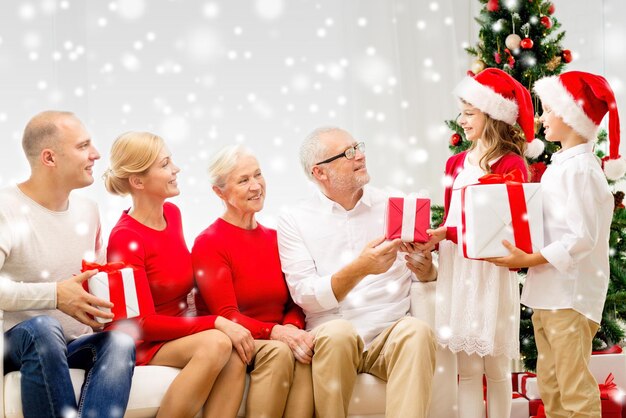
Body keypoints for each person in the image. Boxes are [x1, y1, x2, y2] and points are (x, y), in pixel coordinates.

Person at [277, 127, 438, 418]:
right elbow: (306, 296)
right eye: (348, 153)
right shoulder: (295, 219)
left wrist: (426, 268)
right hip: (334, 334)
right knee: (338, 334)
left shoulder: (395, 204)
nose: (361, 156)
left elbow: (423, 276)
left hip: (389, 332)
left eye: (358, 147)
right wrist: (361, 268)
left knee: (417, 331)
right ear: (320, 173)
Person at [489, 71, 623, 417]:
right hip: (547, 293)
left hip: (569, 296)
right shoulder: (560, 166)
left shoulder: (581, 170)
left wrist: (531, 257)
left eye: (548, 110)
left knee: (572, 385)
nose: (541, 118)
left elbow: (581, 237)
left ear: (571, 115)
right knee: (550, 383)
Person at [416, 68, 538, 418]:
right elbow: (451, 218)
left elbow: (505, 228)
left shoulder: (511, 164)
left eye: (470, 113)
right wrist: (434, 238)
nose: (462, 120)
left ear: (493, 115)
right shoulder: (455, 163)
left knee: (497, 372)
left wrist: (449, 234)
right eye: (462, 112)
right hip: (459, 271)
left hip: (491, 274)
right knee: (467, 373)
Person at [0, 110, 136, 418]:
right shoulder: (5, 209)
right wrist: (56, 295)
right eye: (83, 146)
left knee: (119, 342)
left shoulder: (89, 210)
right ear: (49, 158)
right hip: (19, 344)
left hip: (72, 344)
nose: (96, 154)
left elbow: (95, 282)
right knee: (44, 329)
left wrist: (100, 310)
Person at [104, 131, 248, 418]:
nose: (176, 169)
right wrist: (217, 322)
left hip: (177, 334)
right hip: (142, 342)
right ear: (138, 181)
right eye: (165, 164)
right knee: (218, 341)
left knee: (234, 353)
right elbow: (139, 324)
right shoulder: (125, 237)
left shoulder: (173, 214)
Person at [191, 145, 314, 418]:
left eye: (258, 175)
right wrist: (279, 334)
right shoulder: (210, 242)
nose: (256, 186)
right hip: (237, 339)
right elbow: (227, 315)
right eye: (244, 180)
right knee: (281, 352)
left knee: (305, 352)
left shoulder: (275, 238)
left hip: (276, 336)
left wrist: (292, 329)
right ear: (219, 192)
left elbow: (295, 302)